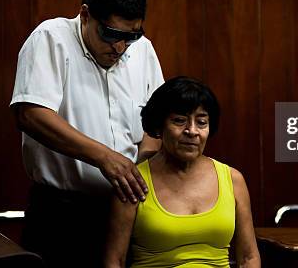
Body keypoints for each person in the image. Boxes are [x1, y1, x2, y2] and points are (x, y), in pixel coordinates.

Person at [10, 0, 164, 267]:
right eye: (110, 34)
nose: (120, 47)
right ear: (85, 15)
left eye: (130, 36)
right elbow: (31, 115)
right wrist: (105, 157)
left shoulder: (143, 50)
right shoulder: (51, 38)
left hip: (127, 209)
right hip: (63, 214)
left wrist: (146, 156)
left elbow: (157, 122)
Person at [104, 76, 261, 268]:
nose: (192, 131)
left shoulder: (232, 179)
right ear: (159, 126)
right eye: (179, 121)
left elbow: (249, 257)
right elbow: (115, 260)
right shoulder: (133, 180)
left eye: (201, 122)